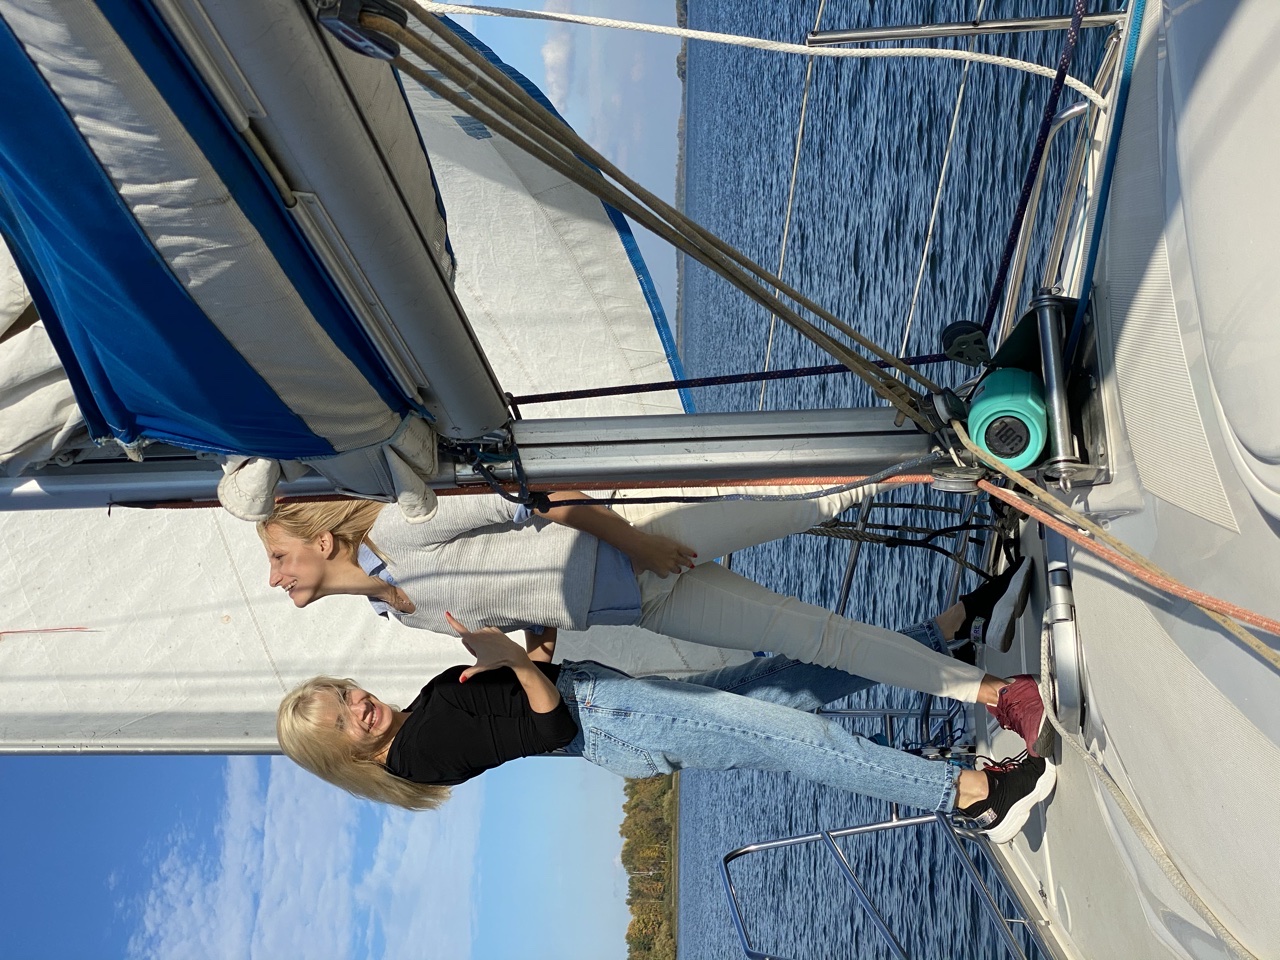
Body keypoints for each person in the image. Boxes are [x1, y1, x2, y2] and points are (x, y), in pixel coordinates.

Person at [261, 485, 1053, 757]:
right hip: (645, 603)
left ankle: (961, 465)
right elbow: (527, 607)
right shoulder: (395, 614)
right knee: (822, 638)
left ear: (320, 541)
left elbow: (532, 497)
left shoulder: (399, 532)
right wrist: (529, 655)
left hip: (646, 538)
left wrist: (639, 542)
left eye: (277, 557)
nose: (273, 576)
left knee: (812, 506)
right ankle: (996, 694)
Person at [277, 614, 1056, 844]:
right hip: (608, 719)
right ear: (342, 753)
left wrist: (531, 636)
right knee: (798, 739)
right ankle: (972, 793)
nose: (357, 705)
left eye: (343, 693)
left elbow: (526, 690)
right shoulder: (418, 753)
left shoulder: (421, 712)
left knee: (788, 680)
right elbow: (545, 728)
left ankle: (945, 635)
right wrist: (511, 658)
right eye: (341, 720)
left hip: (613, 701)